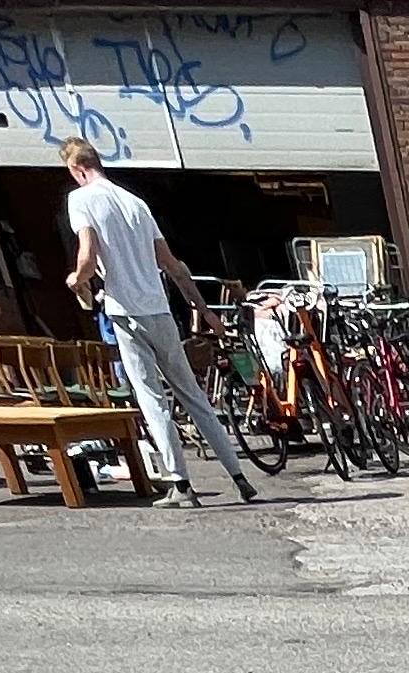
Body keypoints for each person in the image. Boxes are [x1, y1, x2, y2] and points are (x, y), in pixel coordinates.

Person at [59, 139, 266, 507]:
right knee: (193, 395)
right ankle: (238, 476)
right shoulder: (136, 203)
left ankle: (180, 485)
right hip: (160, 310)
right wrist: (205, 312)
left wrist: (77, 278)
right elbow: (172, 264)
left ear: (77, 170)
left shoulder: (81, 200)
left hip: (126, 312)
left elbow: (88, 256)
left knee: (152, 398)